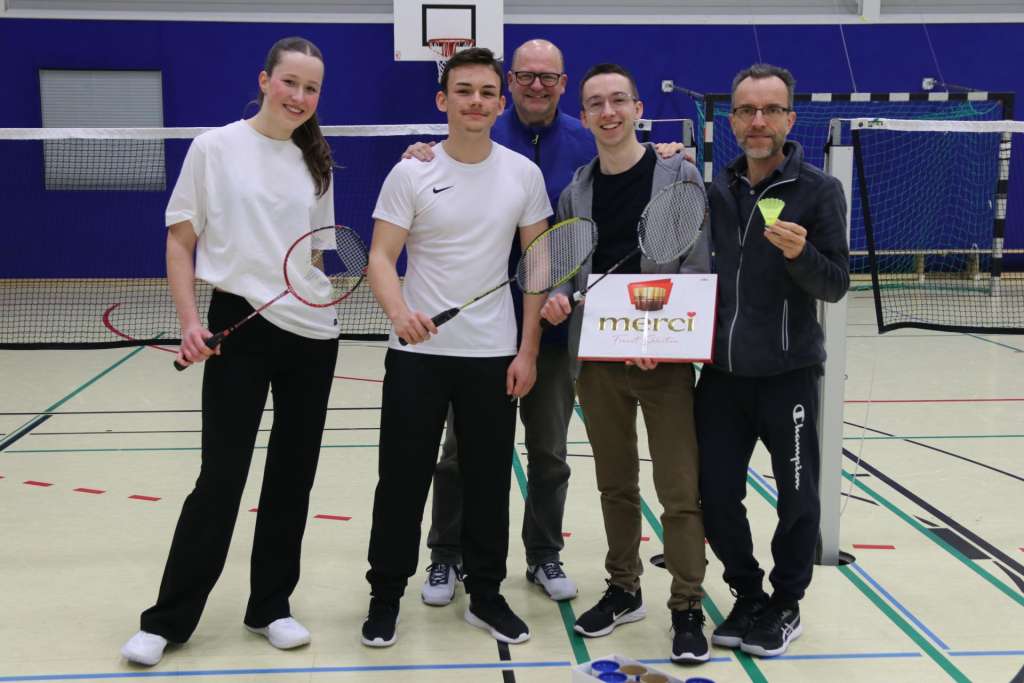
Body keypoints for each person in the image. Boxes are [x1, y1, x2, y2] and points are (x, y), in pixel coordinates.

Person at [407, 39, 684, 608]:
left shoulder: (587, 142)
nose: (537, 86)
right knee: (459, 450)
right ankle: (446, 555)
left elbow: (627, 173)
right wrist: (422, 152)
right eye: (526, 76)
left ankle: (543, 553)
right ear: (511, 82)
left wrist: (667, 152)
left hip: (556, 330)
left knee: (550, 451)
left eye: (549, 78)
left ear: (564, 85)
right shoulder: (480, 131)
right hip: (479, 329)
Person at [120, 36, 339, 666]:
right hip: (236, 324)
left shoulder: (316, 160)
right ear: (265, 80)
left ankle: (270, 605)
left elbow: (317, 254)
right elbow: (181, 243)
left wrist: (318, 295)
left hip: (312, 334)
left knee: (292, 476)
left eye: (312, 88)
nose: (300, 97)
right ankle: (167, 620)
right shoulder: (214, 147)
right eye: (290, 82)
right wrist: (191, 323)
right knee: (220, 478)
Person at [361, 46, 550, 648]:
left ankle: (487, 594)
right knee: (401, 478)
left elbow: (538, 268)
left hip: (492, 355)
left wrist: (528, 351)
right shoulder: (410, 172)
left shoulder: (523, 174)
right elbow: (381, 257)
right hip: (416, 355)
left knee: (491, 480)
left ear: (501, 102)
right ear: (443, 101)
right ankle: (385, 594)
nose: (475, 101)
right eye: (463, 90)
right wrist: (399, 313)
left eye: (486, 92)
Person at [541, 63, 711, 663]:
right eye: (595, 104)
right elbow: (571, 270)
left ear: (638, 108)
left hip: (661, 363)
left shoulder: (678, 176)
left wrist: (660, 340)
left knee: (679, 490)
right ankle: (623, 588)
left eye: (618, 101)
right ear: (584, 116)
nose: (608, 112)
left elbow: (694, 269)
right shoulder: (576, 190)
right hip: (598, 361)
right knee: (615, 485)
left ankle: (687, 604)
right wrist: (561, 297)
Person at [696, 63, 849, 658]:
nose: (757, 122)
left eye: (770, 111)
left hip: (787, 377)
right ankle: (747, 594)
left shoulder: (818, 190)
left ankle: (786, 604)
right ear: (731, 120)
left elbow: (836, 285)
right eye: (745, 111)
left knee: (797, 496)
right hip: (721, 378)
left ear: (789, 118)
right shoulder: (716, 191)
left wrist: (803, 254)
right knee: (715, 494)